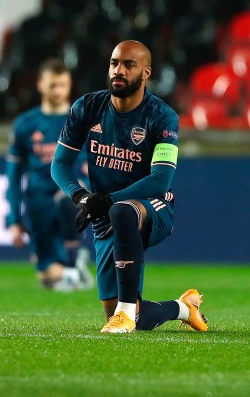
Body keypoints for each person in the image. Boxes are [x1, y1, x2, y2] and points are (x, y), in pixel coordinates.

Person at [50, 40, 208, 334]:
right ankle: (183, 307)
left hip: (153, 206)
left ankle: (124, 313)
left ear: (146, 73)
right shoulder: (87, 107)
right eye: (114, 63)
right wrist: (83, 197)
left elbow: (161, 179)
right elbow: (59, 164)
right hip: (104, 213)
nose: (118, 70)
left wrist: (108, 201)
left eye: (128, 65)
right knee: (128, 317)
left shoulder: (162, 116)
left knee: (123, 211)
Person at [6, 58, 93, 292]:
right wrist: (14, 219)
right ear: (40, 85)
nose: (58, 91)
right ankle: (73, 267)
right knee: (49, 279)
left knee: (69, 201)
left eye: (63, 85)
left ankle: (74, 259)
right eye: (53, 85)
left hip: (72, 197)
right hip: (38, 204)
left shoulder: (82, 119)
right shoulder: (25, 124)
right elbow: (13, 177)